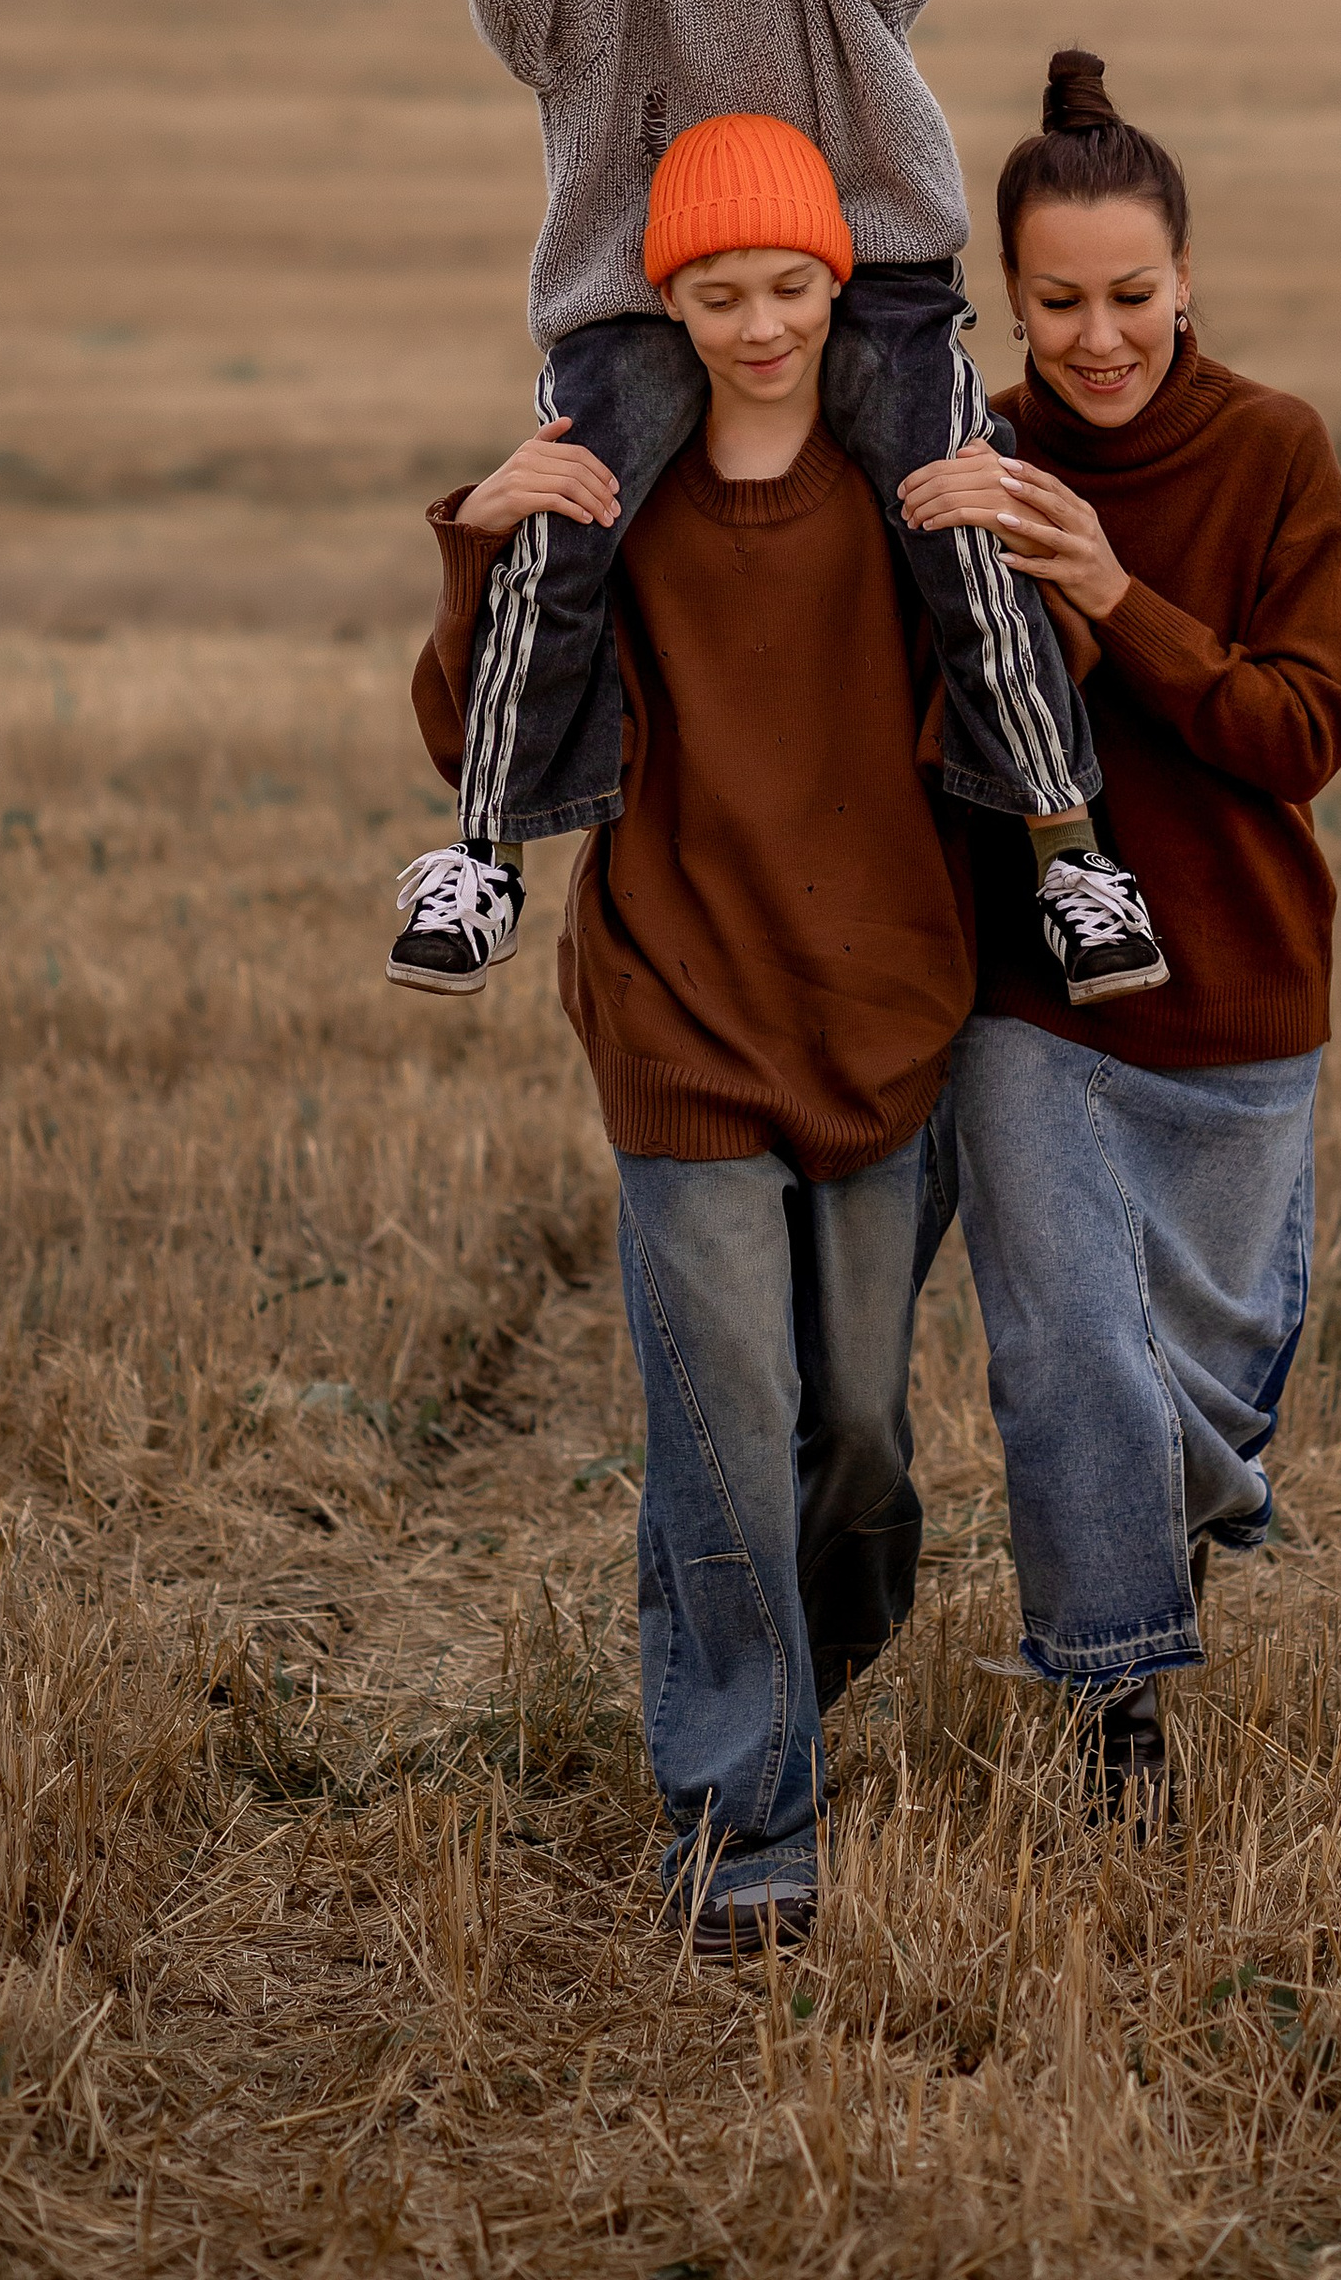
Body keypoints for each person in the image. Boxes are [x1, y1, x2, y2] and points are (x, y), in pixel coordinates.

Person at [382, 0, 1163, 1011]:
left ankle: (1071, 855)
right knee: (564, 511)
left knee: (960, 508)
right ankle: (483, 853)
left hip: (870, 277)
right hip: (636, 285)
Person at [406, 113, 971, 1957]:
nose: (756, 324)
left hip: (884, 1009)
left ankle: (782, 1663)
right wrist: (479, 532)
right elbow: (472, 720)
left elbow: (1017, 689)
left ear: (838, 288)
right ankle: (748, 1825)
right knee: (726, 1430)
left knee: (862, 1440)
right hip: (675, 1015)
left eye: (790, 286)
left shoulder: (907, 494)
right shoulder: (617, 497)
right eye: (716, 291)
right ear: (665, 299)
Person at [898, 48, 1341, 1817]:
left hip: (1239, 997)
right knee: (1070, 1348)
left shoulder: (1273, 452)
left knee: (1195, 1400)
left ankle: (1159, 1540)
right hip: (1036, 996)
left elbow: (1300, 728)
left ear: (1189, 280)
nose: (1098, 336)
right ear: (1008, 302)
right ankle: (1121, 1714)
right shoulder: (978, 458)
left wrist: (1110, 588)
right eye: (1057, 301)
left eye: (1132, 295)